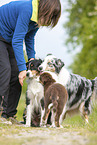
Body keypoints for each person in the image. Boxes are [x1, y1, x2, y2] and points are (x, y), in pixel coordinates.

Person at [0, 0, 61, 124]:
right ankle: (0, 113)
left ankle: (9, 115)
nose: (49, 21)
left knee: (16, 73)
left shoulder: (36, 19)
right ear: (46, 10)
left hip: (10, 39)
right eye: (50, 17)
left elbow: (29, 38)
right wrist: (23, 69)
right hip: (2, 35)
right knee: (5, 70)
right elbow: (18, 40)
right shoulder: (27, 10)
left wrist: (31, 59)